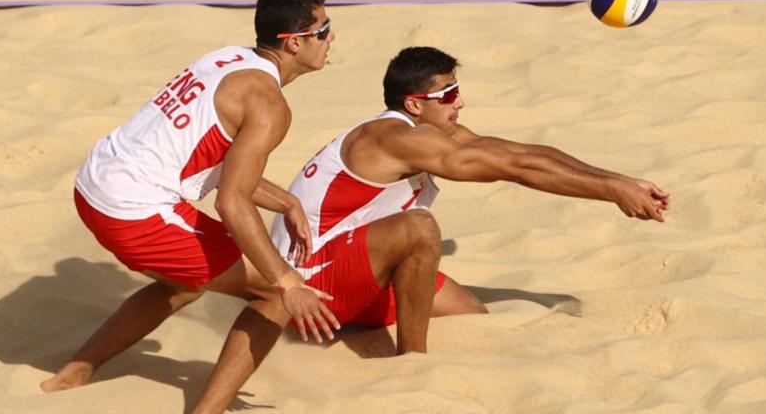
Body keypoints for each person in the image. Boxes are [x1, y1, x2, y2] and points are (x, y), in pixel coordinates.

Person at [41, 0, 342, 414]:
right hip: (133, 210)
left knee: (184, 283)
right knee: (276, 296)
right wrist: (287, 283)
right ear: (294, 42)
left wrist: (287, 201)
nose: (332, 38)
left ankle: (76, 371)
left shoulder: (225, 58)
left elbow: (215, 168)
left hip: (93, 183)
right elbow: (232, 201)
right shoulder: (269, 104)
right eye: (323, 29)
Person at [270, 46, 670, 354]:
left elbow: (521, 155)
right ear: (414, 104)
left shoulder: (418, 128)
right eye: (449, 94)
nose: (459, 102)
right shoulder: (397, 140)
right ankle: (411, 364)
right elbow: (518, 171)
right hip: (307, 286)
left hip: (350, 260)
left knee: (471, 315)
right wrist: (611, 193)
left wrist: (619, 181)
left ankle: (351, 327)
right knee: (419, 229)